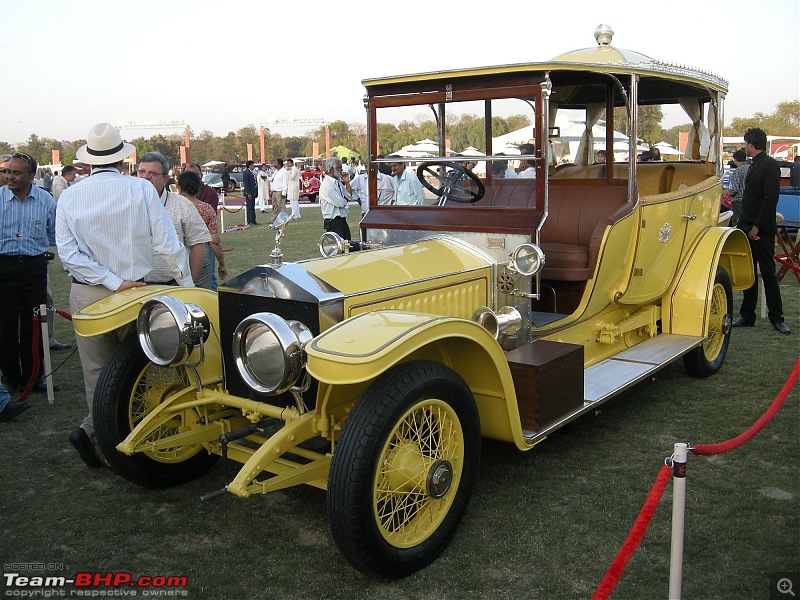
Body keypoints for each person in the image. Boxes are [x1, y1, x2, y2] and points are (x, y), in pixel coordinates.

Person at [57, 123, 193, 468]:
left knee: (96, 370)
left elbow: (69, 255)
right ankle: (131, 435)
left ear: (89, 159)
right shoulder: (140, 189)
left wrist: (107, 280)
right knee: (146, 365)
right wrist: (187, 286)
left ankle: (98, 432)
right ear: (122, 157)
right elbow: (168, 244)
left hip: (88, 292)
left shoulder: (71, 194)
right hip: (135, 290)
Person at [0, 152, 57, 396]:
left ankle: (33, 378)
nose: (9, 177)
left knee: (34, 325)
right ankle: (11, 378)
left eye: (16, 172)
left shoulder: (46, 200)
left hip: (34, 268)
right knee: (6, 326)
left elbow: (55, 235)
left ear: (31, 176)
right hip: (3, 268)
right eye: (7, 172)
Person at [732, 127, 790, 335]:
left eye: (745, 143)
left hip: (760, 229)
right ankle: (747, 315)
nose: (744, 147)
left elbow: (770, 199)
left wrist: (757, 227)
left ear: (752, 144)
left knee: (767, 273)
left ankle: (777, 317)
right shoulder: (753, 165)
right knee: (749, 275)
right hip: (747, 226)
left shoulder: (770, 165)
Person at [137, 152, 210, 285]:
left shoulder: (182, 204)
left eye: (152, 173)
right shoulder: (127, 205)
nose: (145, 177)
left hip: (174, 284)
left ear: (165, 178)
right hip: (137, 285)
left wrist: (189, 284)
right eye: (141, 172)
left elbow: (198, 245)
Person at [177, 170, 227, 290]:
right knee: (201, 292)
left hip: (176, 255)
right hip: (201, 255)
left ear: (179, 188)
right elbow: (214, 241)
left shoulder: (171, 206)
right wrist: (221, 264)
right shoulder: (206, 209)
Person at [319, 157, 356, 239]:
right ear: (332, 169)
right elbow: (341, 203)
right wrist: (345, 200)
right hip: (333, 222)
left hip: (342, 220)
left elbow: (349, 196)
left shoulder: (337, 182)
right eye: (339, 168)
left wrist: (347, 182)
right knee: (338, 248)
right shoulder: (327, 185)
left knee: (347, 245)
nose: (341, 170)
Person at [726, 149, 750, 227]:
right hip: (748, 200)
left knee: (737, 222)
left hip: (738, 201)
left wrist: (726, 192)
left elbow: (735, 189)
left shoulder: (738, 171)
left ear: (735, 159)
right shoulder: (750, 168)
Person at [269, 158, 287, 223]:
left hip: (280, 191)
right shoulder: (276, 171)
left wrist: (284, 193)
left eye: (276, 163)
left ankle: (282, 219)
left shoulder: (284, 172)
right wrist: (266, 178)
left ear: (279, 164)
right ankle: (274, 219)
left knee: (281, 206)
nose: (274, 164)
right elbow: (272, 179)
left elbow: (285, 183)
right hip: (274, 191)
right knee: (275, 206)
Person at [242, 160, 258, 226]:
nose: (253, 166)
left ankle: (253, 220)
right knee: (249, 207)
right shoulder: (246, 172)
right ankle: (250, 221)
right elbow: (246, 184)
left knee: (252, 206)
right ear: (249, 165)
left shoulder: (252, 172)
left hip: (253, 192)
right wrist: (248, 193)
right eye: (252, 165)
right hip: (250, 192)